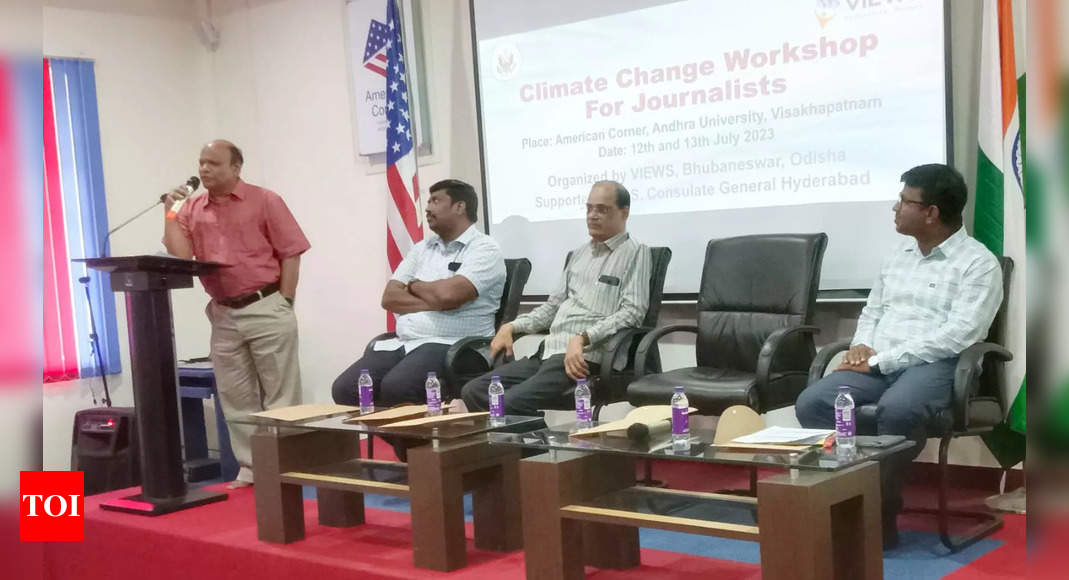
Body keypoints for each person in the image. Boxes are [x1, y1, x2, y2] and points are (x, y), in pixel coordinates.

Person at [795, 163, 1003, 548]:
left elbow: (961, 334)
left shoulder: (977, 264)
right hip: (877, 361)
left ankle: (879, 513)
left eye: (905, 201)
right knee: (815, 402)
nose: (895, 207)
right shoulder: (898, 255)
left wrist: (883, 359)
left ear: (931, 212)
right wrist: (859, 345)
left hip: (935, 366)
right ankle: (847, 498)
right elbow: (873, 311)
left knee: (898, 410)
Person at [163, 139, 310, 489]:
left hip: (266, 304)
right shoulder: (193, 207)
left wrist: (285, 300)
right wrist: (171, 210)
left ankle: (284, 467)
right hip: (224, 313)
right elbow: (181, 256)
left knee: (280, 394)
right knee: (235, 396)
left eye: (213, 163)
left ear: (235, 167)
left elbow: (291, 251)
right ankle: (251, 468)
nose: (204, 169)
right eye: (201, 162)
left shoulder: (265, 200)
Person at [461, 180, 651, 416]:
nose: (592, 215)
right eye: (589, 208)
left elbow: (633, 312)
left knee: (507, 402)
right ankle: (514, 449)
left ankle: (526, 449)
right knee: (475, 390)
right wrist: (512, 325)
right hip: (548, 353)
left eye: (602, 209)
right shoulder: (579, 254)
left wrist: (583, 338)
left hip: (583, 358)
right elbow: (552, 308)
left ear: (624, 213)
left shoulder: (636, 252)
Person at [332, 179, 505, 406]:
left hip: (452, 343)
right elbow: (390, 298)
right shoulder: (421, 248)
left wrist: (414, 285)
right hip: (405, 341)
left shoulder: (484, 248)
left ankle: (412, 443)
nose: (427, 208)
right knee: (345, 388)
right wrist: (437, 299)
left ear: (459, 207)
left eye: (435, 200)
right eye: (428, 201)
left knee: (398, 387)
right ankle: (397, 441)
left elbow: (449, 296)